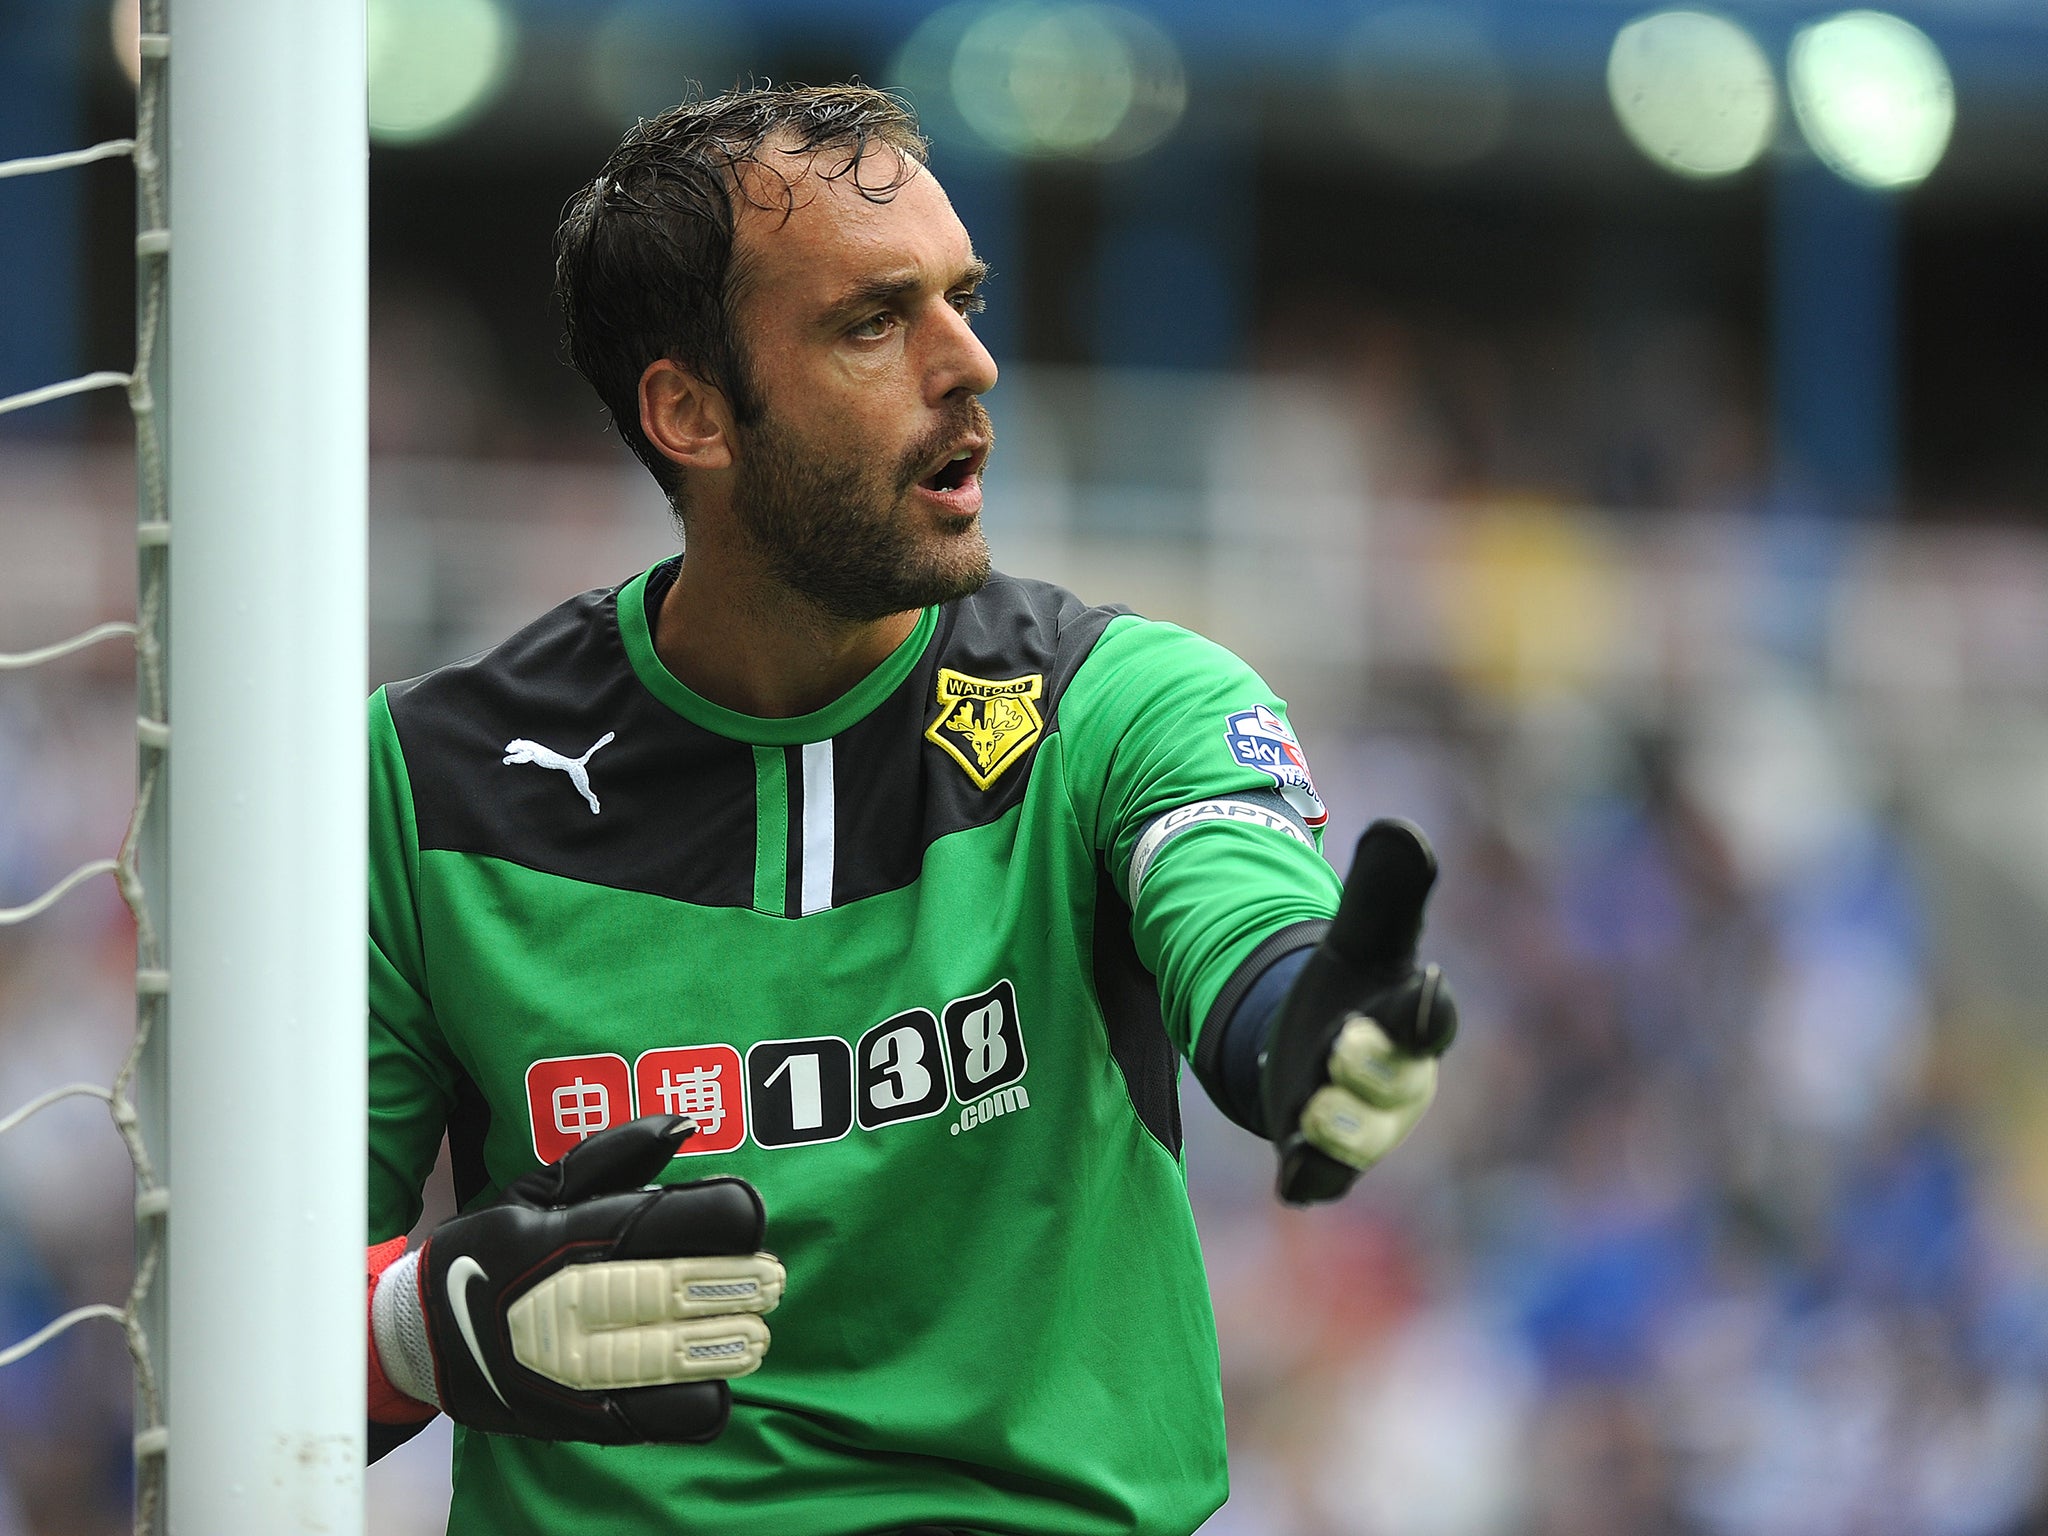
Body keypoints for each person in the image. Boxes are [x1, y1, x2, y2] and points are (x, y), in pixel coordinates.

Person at [362, 83, 1455, 1536]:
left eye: (964, 299)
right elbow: (225, 1335)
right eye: (875, 323)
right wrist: (429, 1329)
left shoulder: (1116, 704)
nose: (972, 364)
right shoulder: (427, 782)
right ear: (689, 411)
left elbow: (1243, 920)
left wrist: (1306, 1016)